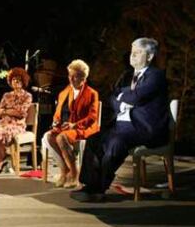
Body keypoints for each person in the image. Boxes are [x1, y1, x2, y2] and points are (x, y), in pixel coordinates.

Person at [71, 37, 169, 202]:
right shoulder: (127, 76)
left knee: (115, 143)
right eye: (132, 53)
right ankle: (90, 185)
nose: (133, 56)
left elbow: (138, 96)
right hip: (121, 125)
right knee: (94, 139)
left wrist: (123, 96)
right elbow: (112, 97)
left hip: (144, 128)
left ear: (150, 57)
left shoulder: (156, 75)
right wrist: (123, 103)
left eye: (137, 53)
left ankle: (99, 189)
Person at [42, 59, 99, 188]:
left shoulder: (92, 94)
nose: (71, 79)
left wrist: (74, 125)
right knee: (48, 136)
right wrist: (56, 122)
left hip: (84, 128)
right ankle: (65, 170)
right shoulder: (64, 92)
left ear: (83, 77)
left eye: (75, 76)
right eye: (70, 76)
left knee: (61, 137)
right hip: (67, 127)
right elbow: (58, 113)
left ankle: (74, 173)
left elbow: (93, 116)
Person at [0, 67, 32, 174]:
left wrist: (5, 111)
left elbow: (20, 113)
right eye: (14, 79)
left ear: (23, 81)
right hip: (4, 123)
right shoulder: (6, 95)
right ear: (10, 81)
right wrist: (8, 111)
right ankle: (3, 160)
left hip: (17, 125)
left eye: (19, 79)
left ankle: (1, 162)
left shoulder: (27, 96)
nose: (16, 81)